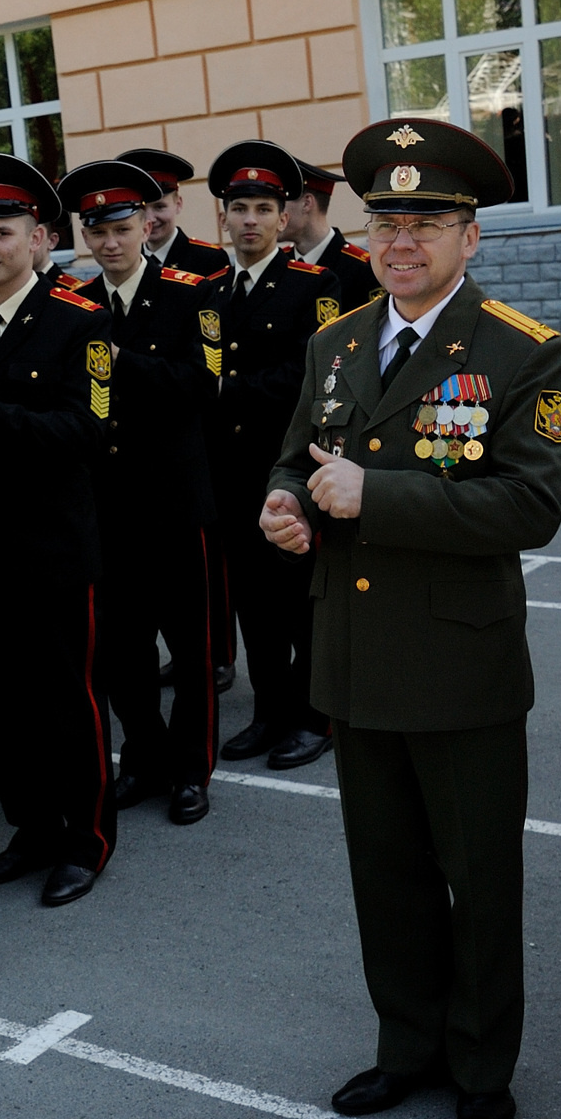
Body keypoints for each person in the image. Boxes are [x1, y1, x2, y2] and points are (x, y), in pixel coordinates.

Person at [261, 116, 561, 1119]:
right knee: (384, 875)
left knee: (478, 880)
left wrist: (371, 494)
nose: (401, 239)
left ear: (469, 237)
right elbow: (294, 457)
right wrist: (283, 503)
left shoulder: (521, 350)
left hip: (459, 661)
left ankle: (481, 1063)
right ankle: (408, 1047)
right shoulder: (335, 341)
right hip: (354, 652)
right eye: (386, 220)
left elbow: (528, 507)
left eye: (426, 220)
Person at [0, 152, 116, 906]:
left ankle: (87, 837)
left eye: (2, 232)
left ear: (40, 238)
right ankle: (33, 827)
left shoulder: (81, 318)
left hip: (50, 548)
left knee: (66, 702)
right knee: (2, 709)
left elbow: (93, 429)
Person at [64, 157, 218, 827]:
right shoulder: (78, 305)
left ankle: (190, 770)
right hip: (108, 507)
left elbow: (203, 382)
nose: (109, 242)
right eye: (96, 231)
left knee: (191, 649)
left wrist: (126, 363)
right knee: (123, 653)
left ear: (145, 227)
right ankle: (145, 757)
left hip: (175, 503)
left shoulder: (191, 294)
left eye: (121, 227)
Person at [208, 140, 341, 770]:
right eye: (240, 208)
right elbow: (204, 370)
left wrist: (227, 392)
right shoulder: (210, 291)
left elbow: (311, 377)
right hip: (232, 474)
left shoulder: (316, 285)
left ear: (285, 218)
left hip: (289, 469)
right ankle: (268, 711)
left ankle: (313, 717)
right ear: (223, 219)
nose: (252, 220)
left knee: (296, 602)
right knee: (252, 605)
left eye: (264, 207)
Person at [122, 148, 230, 277]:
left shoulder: (209, 259)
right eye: (143, 209)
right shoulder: (127, 261)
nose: (150, 219)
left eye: (159, 207)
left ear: (178, 204)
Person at [288, 158, 380, 309]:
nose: (276, 215)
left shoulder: (361, 268)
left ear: (307, 203)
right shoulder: (282, 262)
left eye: (280, 203)